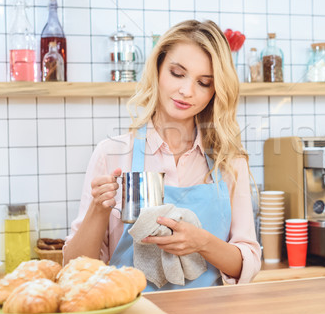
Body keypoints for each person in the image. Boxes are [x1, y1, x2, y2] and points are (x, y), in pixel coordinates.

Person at [63, 20, 262, 290]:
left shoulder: (230, 161)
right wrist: (98, 210)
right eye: (177, 73)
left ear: (215, 91)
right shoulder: (112, 154)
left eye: (203, 83)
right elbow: (75, 268)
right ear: (157, 69)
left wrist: (202, 243)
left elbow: (247, 263)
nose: (187, 91)